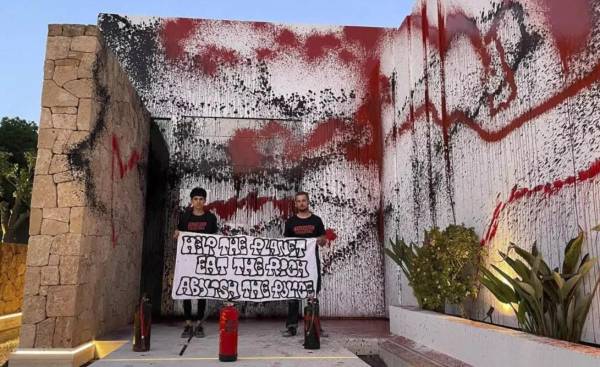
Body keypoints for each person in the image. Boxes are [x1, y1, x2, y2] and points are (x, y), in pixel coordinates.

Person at [173, 187, 218, 338]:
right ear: (191, 201)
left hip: (203, 261)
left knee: (201, 291)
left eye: (201, 199)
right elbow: (178, 234)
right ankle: (187, 324)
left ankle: (199, 324)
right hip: (187, 261)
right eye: (195, 199)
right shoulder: (185, 217)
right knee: (187, 290)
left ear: (205, 201)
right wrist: (177, 234)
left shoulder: (211, 218)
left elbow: (215, 239)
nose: (198, 202)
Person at [282, 191, 328, 337]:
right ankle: (291, 326)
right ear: (295, 204)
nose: (301, 203)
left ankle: (315, 325)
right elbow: (286, 243)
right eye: (298, 201)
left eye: (304, 200)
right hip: (295, 262)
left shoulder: (317, 220)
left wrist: (321, 240)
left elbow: (323, 239)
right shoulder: (290, 222)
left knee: (312, 293)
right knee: (293, 294)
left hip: (312, 262)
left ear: (308, 202)